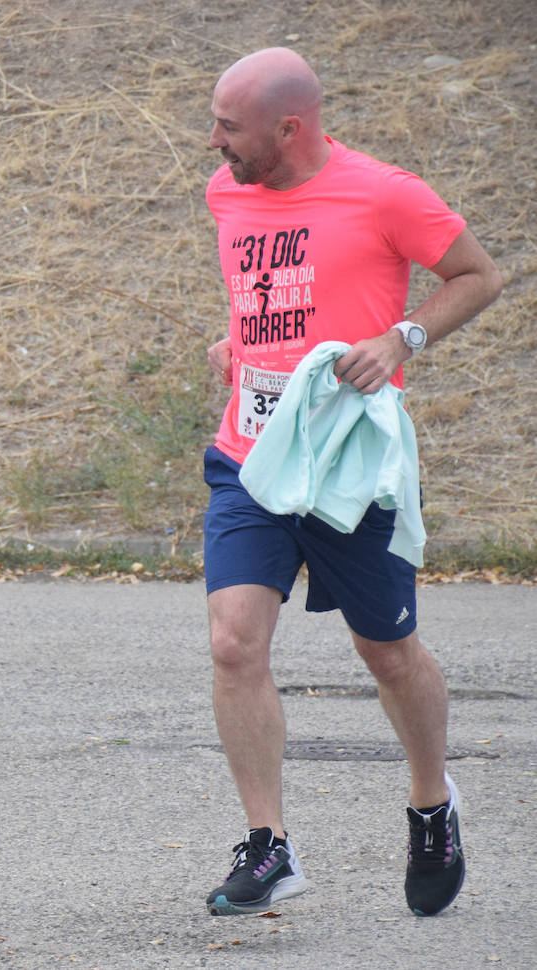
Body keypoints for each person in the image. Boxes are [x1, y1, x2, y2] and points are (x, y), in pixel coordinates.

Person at [200, 48, 502, 917]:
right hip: (251, 457)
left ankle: (432, 802)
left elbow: (479, 276)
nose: (214, 141)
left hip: (347, 471)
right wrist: (240, 344)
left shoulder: (386, 194)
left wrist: (402, 339)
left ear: (287, 128)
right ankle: (269, 848)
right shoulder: (228, 192)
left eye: (229, 126)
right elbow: (262, 289)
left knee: (388, 654)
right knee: (233, 644)